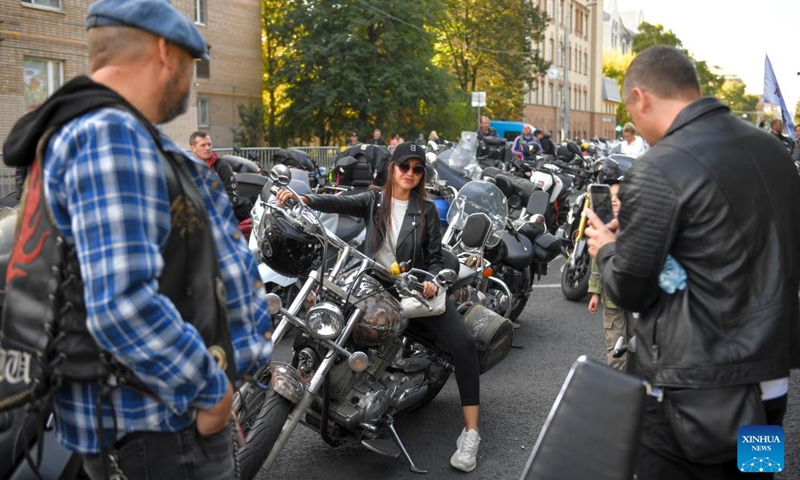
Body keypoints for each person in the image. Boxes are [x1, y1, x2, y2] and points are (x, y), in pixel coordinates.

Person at [0, 1, 273, 478]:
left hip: (156, 422)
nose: (193, 79)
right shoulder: (111, 134)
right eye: (192, 63)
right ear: (166, 53)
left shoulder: (105, 130)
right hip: (160, 428)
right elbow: (123, 303)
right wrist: (209, 389)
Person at [584, 45, 800, 479]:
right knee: (757, 476)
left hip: (692, 394)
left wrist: (605, 248)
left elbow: (630, 286)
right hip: (770, 386)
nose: (639, 130)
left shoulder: (660, 166)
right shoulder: (776, 153)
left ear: (641, 98)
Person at [275, 141, 483, 472]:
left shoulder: (426, 210)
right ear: (392, 169)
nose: (411, 174)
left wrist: (430, 279)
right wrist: (304, 199)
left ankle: (471, 432)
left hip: (412, 290)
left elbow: (433, 256)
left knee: (464, 344)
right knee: (324, 312)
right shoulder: (374, 200)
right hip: (372, 283)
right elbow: (340, 202)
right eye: (405, 167)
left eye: (418, 169)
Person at [586, 180, 634, 371]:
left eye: (619, 197)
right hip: (611, 297)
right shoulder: (603, 227)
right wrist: (595, 292)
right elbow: (596, 264)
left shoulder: (638, 227)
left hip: (636, 297)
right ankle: (617, 384)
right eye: (611, 197)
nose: (614, 201)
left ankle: (635, 379)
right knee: (615, 345)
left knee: (636, 341)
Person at [189, 131, 252, 221]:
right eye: (203, 145)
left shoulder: (222, 167)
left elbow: (233, 196)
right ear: (193, 148)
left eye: (209, 144)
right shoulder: (187, 168)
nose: (207, 148)